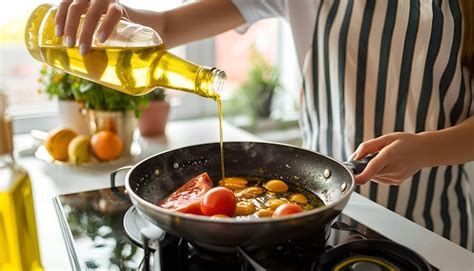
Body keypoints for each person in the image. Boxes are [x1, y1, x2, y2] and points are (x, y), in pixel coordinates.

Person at [54, 0, 473, 249]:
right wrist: (113, 13)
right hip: (323, 218)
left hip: (433, 224)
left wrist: (425, 149)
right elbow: (165, 26)